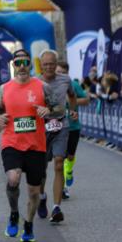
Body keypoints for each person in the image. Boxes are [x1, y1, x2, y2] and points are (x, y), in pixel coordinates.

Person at [0, 48, 49, 242]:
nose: (22, 66)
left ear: (30, 65)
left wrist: (48, 109)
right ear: (13, 66)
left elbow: (60, 108)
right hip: (12, 142)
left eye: (26, 62)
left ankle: (29, 224)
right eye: (18, 63)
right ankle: (14, 213)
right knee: (13, 178)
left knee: (34, 191)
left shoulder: (42, 86)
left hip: (36, 145)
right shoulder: (4, 88)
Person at [38, 51, 77, 223]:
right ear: (41, 65)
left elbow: (72, 96)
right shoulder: (34, 83)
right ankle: (41, 196)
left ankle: (56, 208)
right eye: (45, 64)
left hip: (61, 125)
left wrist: (74, 110)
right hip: (41, 127)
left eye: (51, 64)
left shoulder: (65, 79)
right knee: (41, 169)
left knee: (59, 163)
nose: (49, 67)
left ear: (56, 64)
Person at [57, 60, 89, 195]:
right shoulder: (50, 85)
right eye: (58, 72)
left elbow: (86, 100)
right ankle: (63, 188)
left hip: (73, 127)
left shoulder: (73, 85)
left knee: (70, 156)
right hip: (57, 127)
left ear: (67, 74)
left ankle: (69, 171)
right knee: (60, 158)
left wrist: (71, 101)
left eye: (63, 73)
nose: (60, 75)